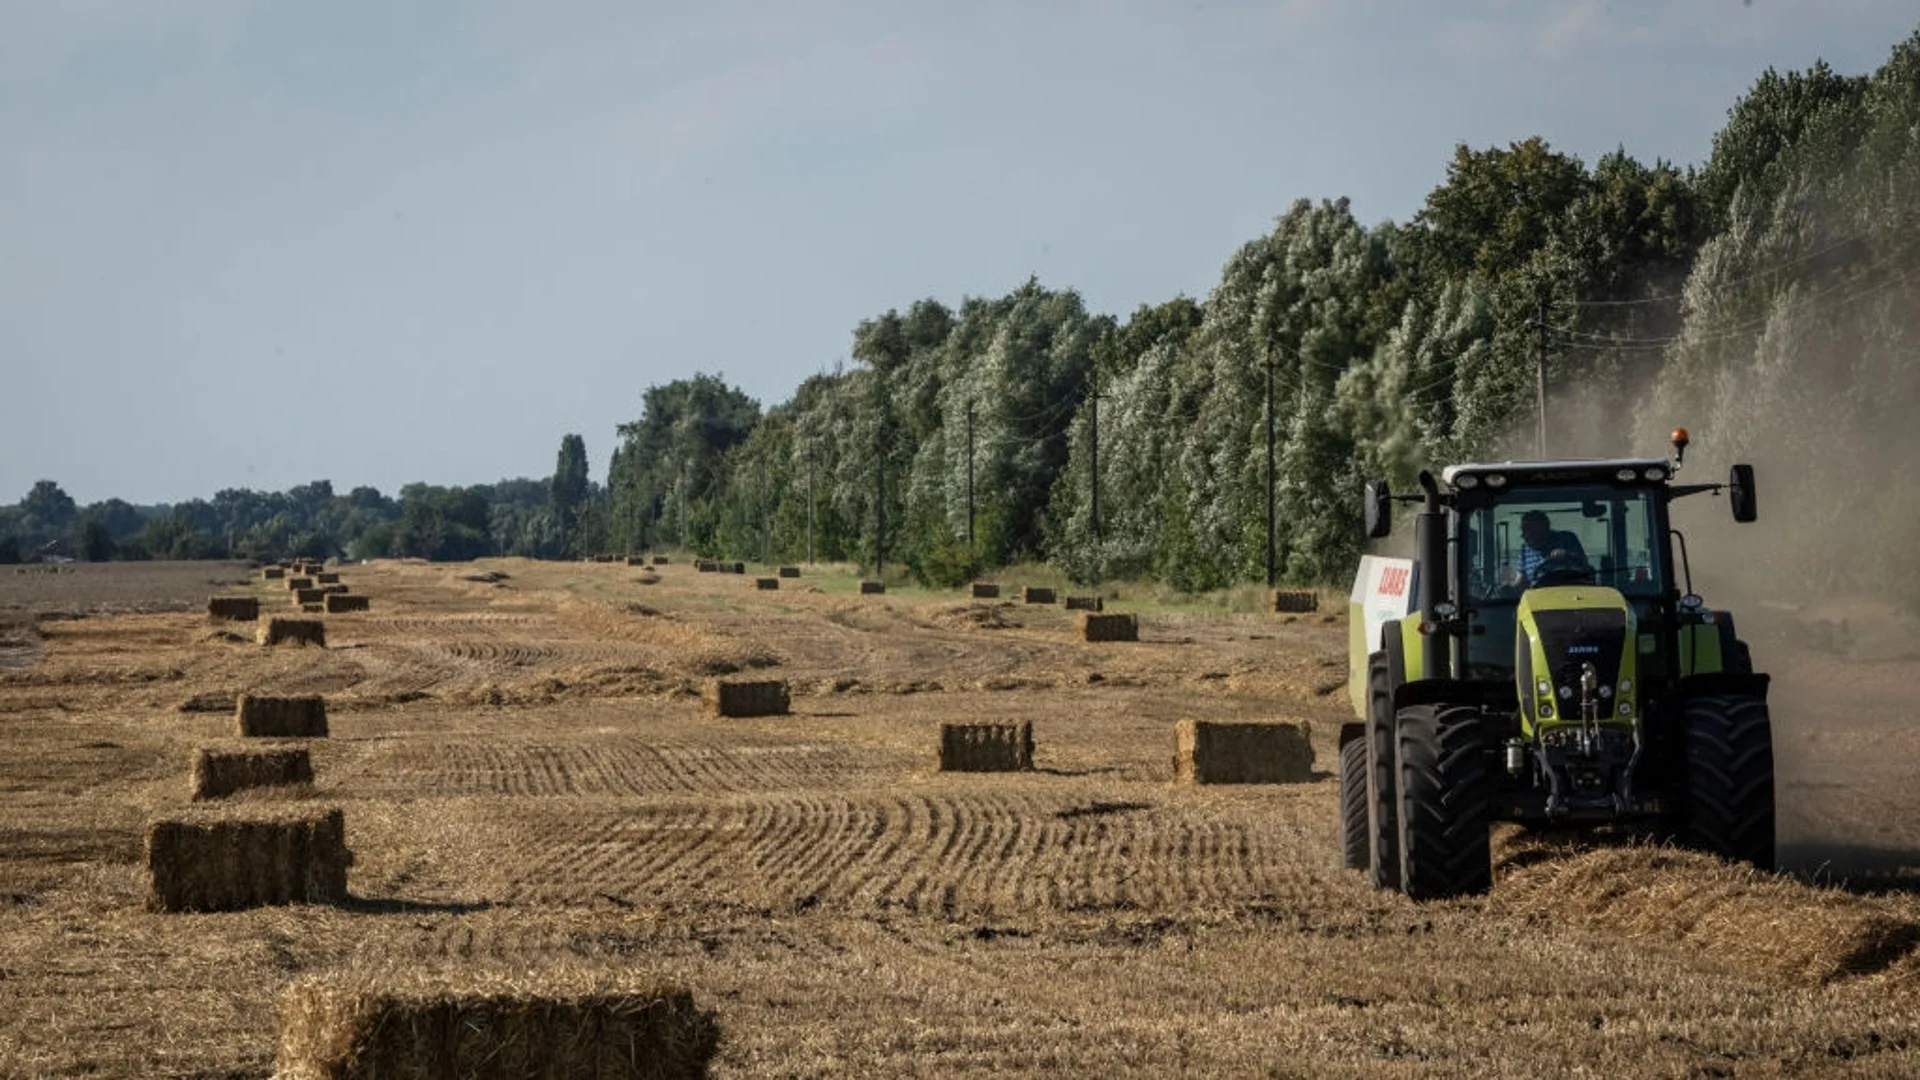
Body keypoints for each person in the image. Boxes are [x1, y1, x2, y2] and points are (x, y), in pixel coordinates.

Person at [1516, 509, 1589, 585]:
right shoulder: (1525, 549)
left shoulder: (1567, 539)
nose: (1522, 535)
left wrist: (1565, 554)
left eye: (1527, 529)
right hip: (1538, 594)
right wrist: (1509, 590)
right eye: (1523, 530)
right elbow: (1520, 581)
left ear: (1543, 528)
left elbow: (1584, 564)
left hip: (1571, 590)